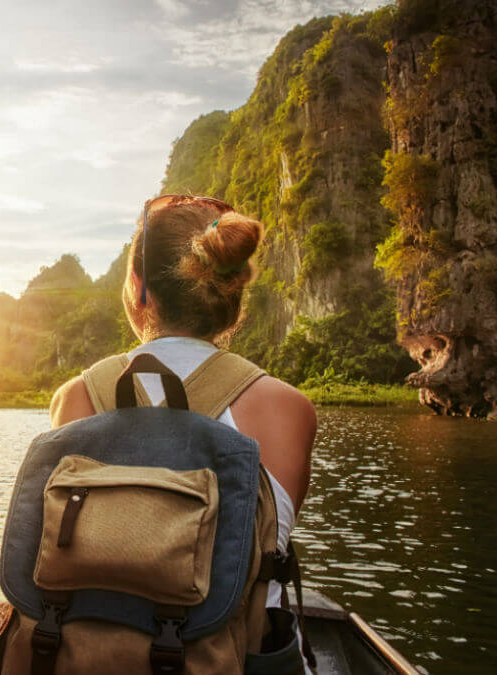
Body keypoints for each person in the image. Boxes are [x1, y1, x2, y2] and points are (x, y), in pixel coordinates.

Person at [50, 193, 316, 609]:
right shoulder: (289, 410)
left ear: (139, 290)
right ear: (234, 294)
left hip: (91, 653)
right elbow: (272, 546)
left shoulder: (76, 398)